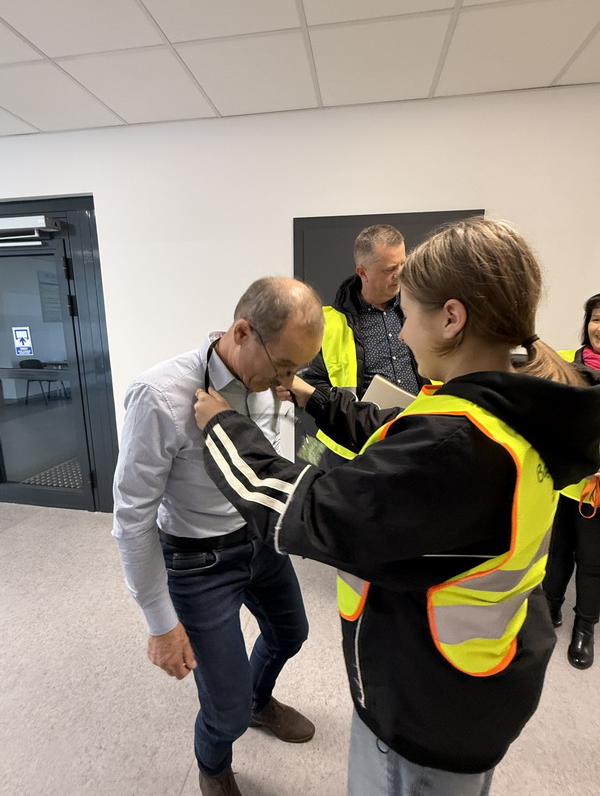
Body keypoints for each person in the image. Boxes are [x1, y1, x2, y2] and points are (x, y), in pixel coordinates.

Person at [194, 218, 600, 796]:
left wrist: (223, 427)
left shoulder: (459, 449)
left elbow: (311, 513)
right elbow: (393, 429)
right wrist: (311, 395)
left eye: (408, 314)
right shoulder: (500, 408)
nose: (402, 333)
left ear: (452, 318)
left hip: (424, 710)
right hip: (472, 686)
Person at [112, 277, 324, 796]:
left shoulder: (269, 382)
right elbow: (132, 518)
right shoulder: (160, 395)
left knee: (291, 634)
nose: (288, 381)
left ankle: (258, 702)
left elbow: (275, 454)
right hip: (198, 560)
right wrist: (160, 624)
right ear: (242, 332)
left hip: (259, 540)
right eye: (283, 366)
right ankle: (213, 765)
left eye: (297, 369)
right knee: (223, 712)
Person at [303, 224, 424, 466]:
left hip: (416, 435)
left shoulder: (421, 308)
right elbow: (312, 383)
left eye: (403, 264)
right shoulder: (327, 323)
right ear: (363, 272)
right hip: (353, 447)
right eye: (390, 269)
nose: (400, 274)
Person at [543, 292, 600, 668]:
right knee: (557, 551)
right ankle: (550, 609)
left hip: (599, 492)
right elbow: (548, 418)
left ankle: (585, 627)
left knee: (592, 561)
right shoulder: (564, 362)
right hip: (565, 482)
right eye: (596, 318)